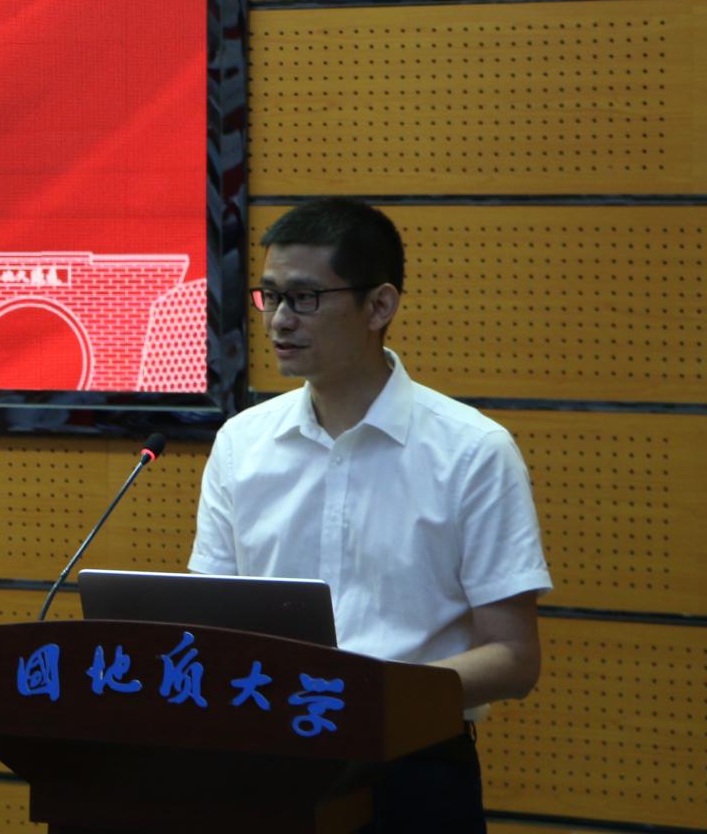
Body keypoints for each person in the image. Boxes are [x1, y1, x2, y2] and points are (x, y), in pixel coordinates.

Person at [190, 197, 551, 833]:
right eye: (270, 296)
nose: (279, 320)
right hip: (262, 758)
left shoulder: (471, 451)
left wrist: (365, 695)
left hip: (412, 767)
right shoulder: (241, 444)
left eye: (304, 298)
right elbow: (206, 623)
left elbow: (513, 658)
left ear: (379, 306)